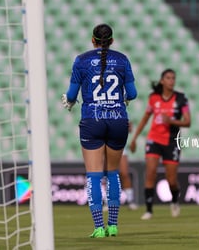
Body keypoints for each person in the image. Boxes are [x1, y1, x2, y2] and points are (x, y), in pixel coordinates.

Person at [62, 23, 137, 238]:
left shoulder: (82, 60)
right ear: (112, 41)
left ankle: (98, 227)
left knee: (94, 176)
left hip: (92, 120)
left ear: (92, 40)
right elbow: (132, 93)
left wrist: (68, 101)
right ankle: (113, 225)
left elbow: (71, 94)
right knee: (113, 172)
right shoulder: (122, 59)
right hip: (117, 120)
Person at [129, 69, 190, 220]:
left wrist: (171, 121)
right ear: (162, 80)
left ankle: (175, 201)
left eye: (173, 78)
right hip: (154, 139)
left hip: (172, 141)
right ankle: (149, 210)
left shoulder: (181, 99)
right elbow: (145, 118)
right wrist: (135, 138)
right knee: (150, 173)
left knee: (172, 180)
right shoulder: (153, 98)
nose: (171, 81)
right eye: (168, 78)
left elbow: (188, 122)